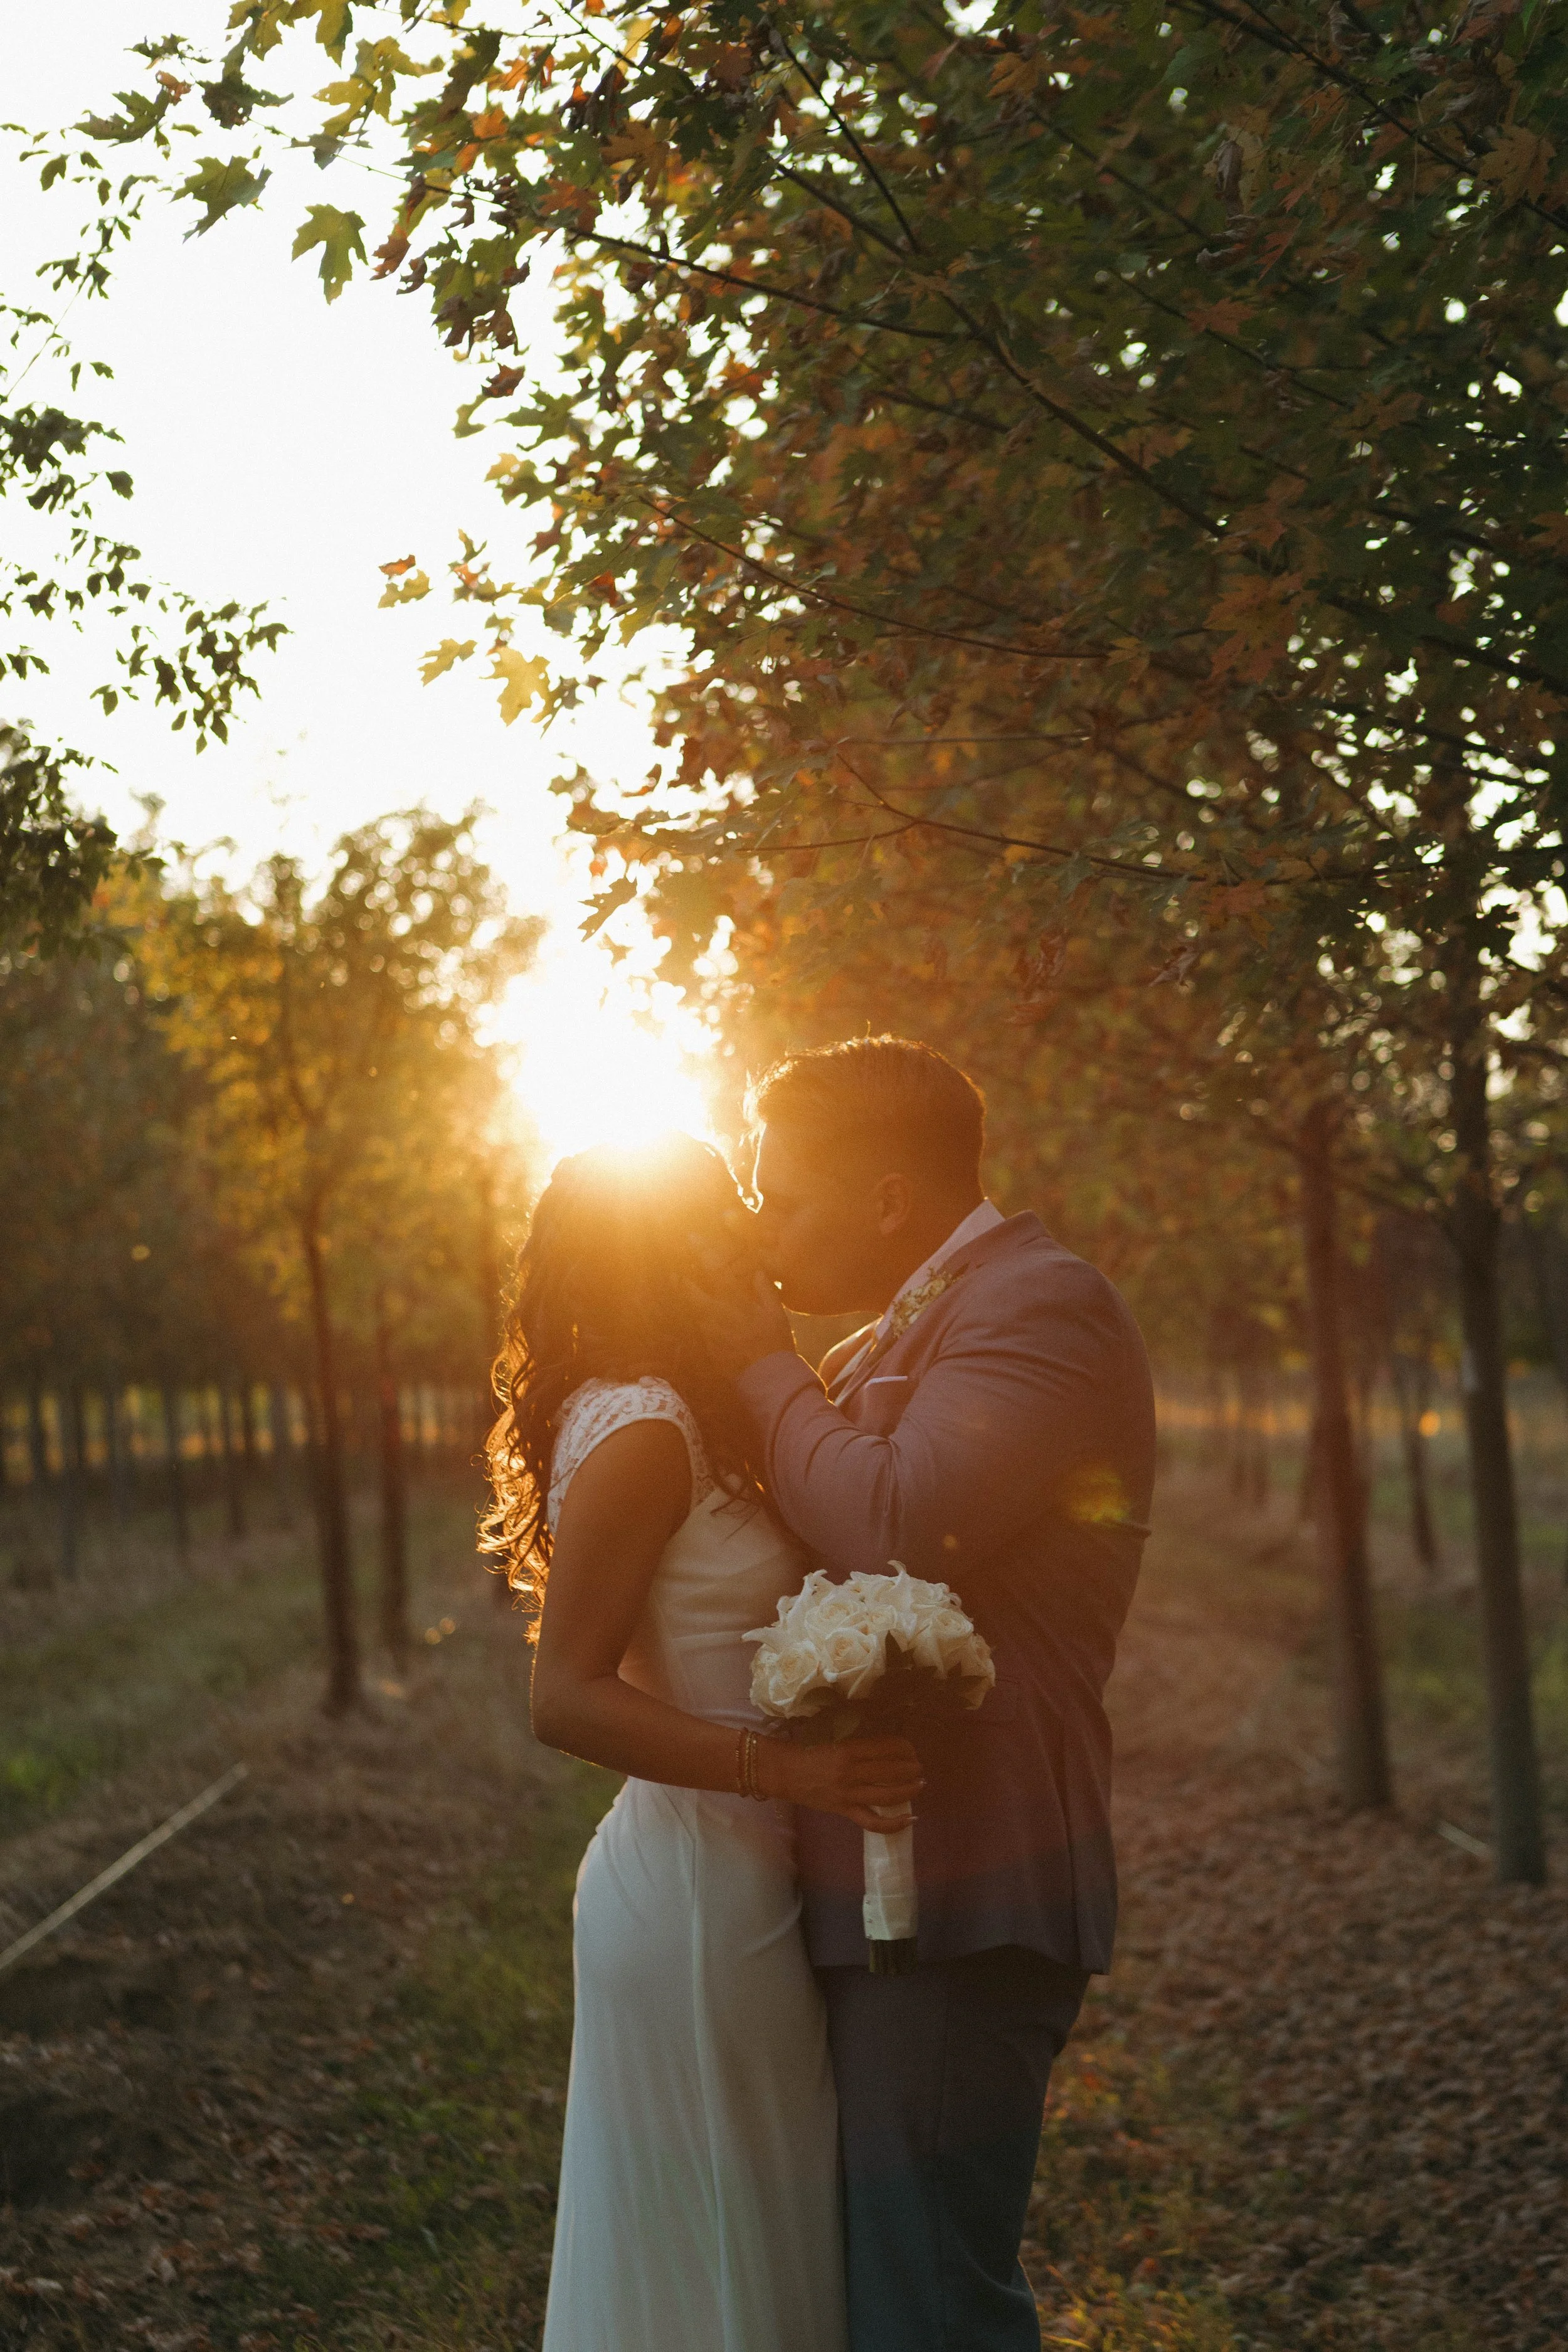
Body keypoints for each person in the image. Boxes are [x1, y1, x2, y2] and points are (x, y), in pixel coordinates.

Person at [699, 1036, 1156, 2352]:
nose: (762, 1224)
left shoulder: (1040, 1304)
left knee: (927, 2310)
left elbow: (896, 1521)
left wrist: (758, 1362)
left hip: (966, 1874)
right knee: (880, 2292)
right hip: (883, 1874)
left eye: (781, 1194)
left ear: (889, 1197)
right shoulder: (901, 1329)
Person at [482, 1132, 921, 2352]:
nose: (747, 1229)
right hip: (694, 1898)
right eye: (720, 1212)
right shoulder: (643, 1430)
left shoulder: (690, 1411)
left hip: (744, 1879)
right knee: (718, 2268)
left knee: (747, 2247)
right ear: (656, 1245)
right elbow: (561, 1698)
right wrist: (792, 1771)